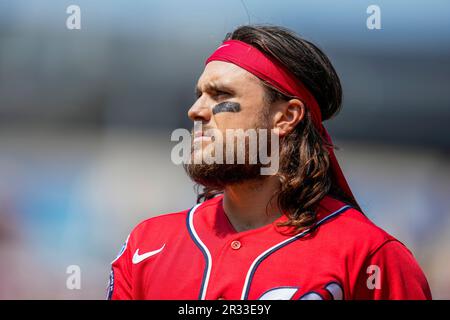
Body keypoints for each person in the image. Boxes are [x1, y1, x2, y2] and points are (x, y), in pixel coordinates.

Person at [107, 25, 431, 300]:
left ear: (286, 117)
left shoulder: (369, 256)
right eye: (199, 94)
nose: (196, 110)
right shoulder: (147, 245)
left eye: (221, 96)